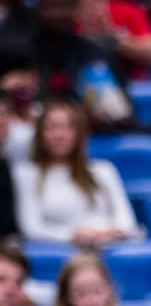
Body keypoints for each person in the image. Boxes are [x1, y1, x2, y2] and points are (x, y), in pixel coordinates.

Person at [14, 99, 138, 246]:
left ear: (80, 133)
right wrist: (74, 235)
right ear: (40, 134)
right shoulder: (26, 174)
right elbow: (32, 229)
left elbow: (126, 222)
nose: (59, 135)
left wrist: (104, 235)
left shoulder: (104, 170)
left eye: (68, 128)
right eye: (52, 127)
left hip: (109, 245)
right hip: (61, 251)